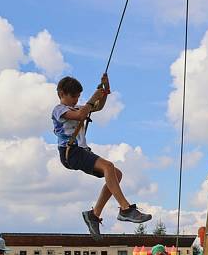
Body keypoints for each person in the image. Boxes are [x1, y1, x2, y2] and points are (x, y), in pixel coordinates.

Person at [52, 74, 152, 240]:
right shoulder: (59, 110)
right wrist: (93, 98)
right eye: (73, 96)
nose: (76, 100)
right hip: (71, 152)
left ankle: (94, 214)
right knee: (108, 167)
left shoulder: (77, 108)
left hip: (81, 151)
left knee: (115, 174)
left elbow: (97, 107)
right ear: (62, 93)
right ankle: (125, 209)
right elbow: (80, 115)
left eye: (78, 96)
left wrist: (104, 90)